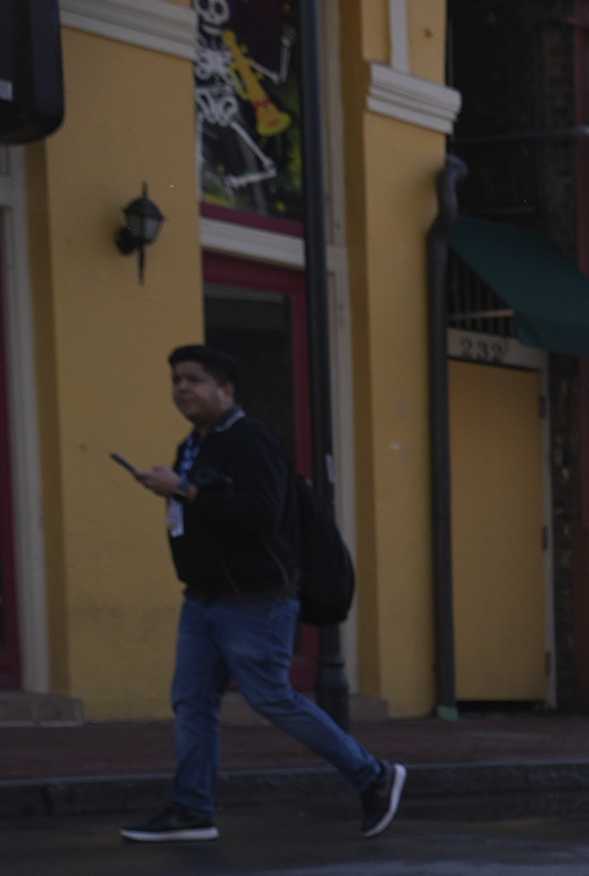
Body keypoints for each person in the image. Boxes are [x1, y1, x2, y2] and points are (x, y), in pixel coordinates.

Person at [118, 344, 404, 842]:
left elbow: (262, 512)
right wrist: (177, 488)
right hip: (203, 599)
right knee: (192, 701)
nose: (182, 388)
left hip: (256, 601)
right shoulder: (194, 443)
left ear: (225, 392)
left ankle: (373, 775)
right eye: (176, 380)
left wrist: (183, 490)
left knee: (272, 698)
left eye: (194, 380)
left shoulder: (253, 439)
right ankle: (192, 810)